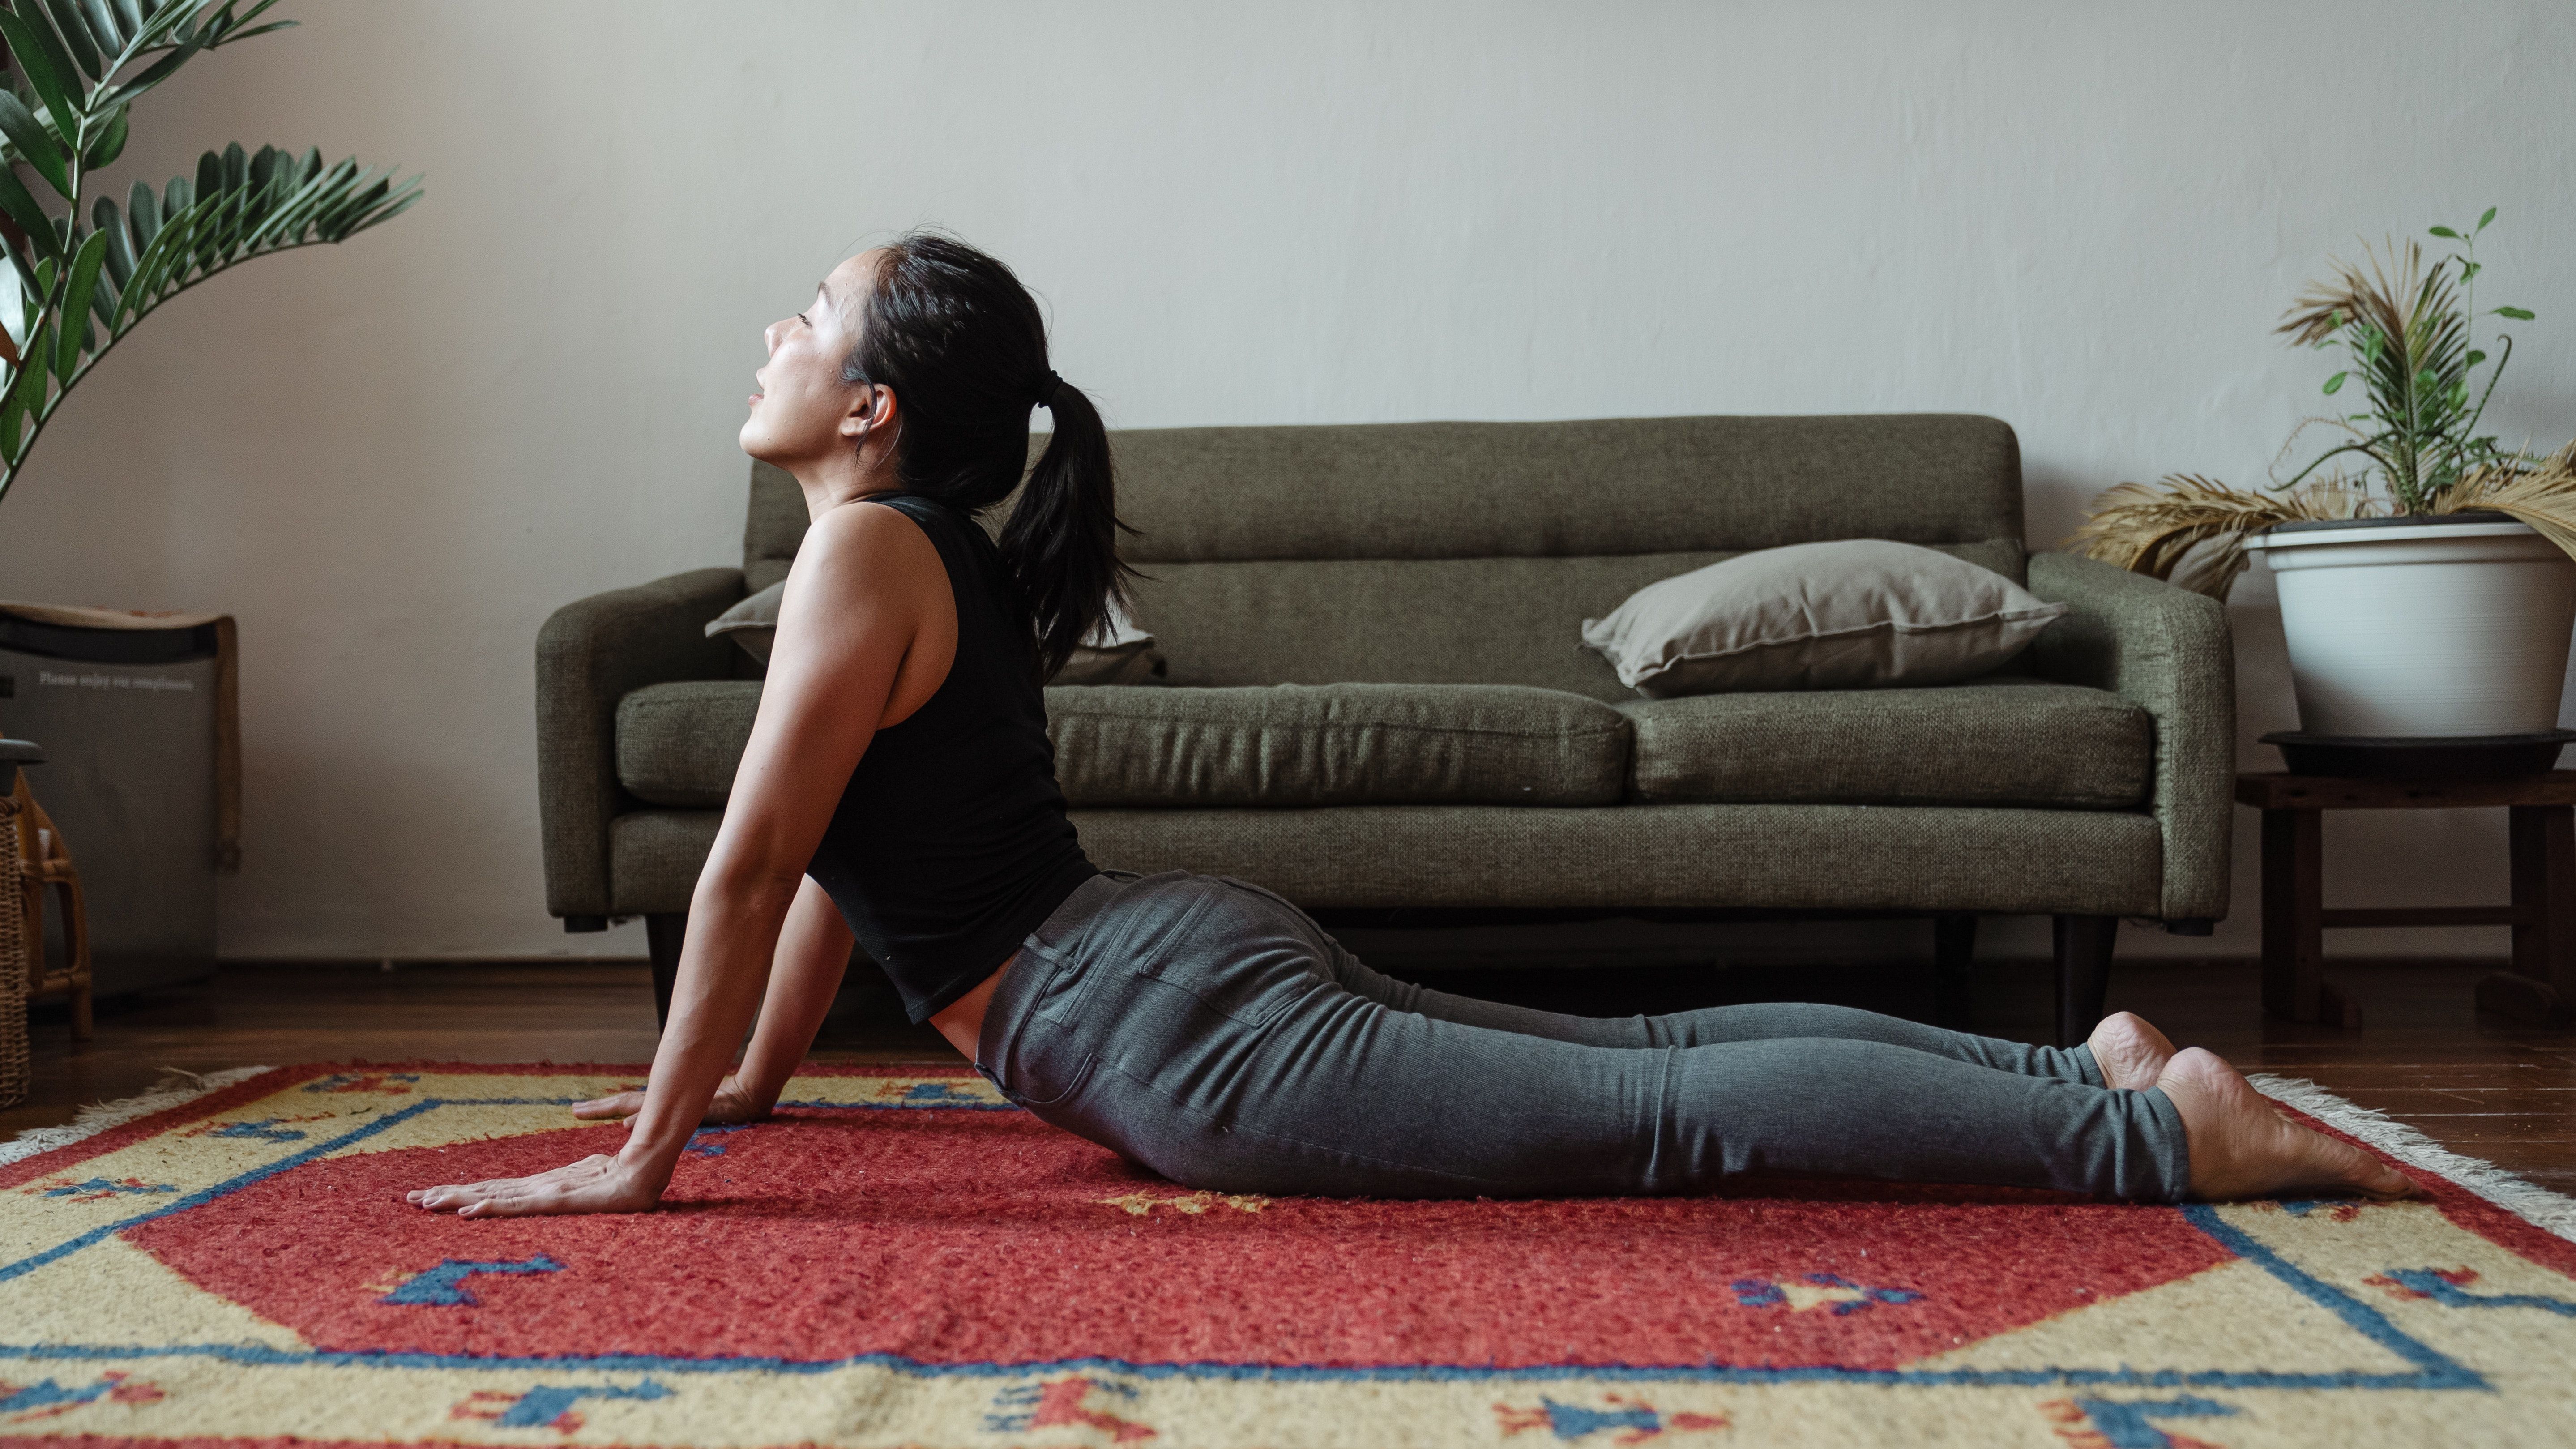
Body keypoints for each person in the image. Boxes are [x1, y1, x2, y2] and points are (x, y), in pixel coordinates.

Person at [410, 233, 2411, 1218]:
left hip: (1155, 1020)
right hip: (1164, 963)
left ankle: (2151, 1138)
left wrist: (643, 1160)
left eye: (807, 314)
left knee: (1664, 1117)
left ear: (870, 408)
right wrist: (754, 1083)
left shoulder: (858, 564)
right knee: (1650, 1060)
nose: (773, 330)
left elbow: (760, 863)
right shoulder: (914, 548)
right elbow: (843, 867)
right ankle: (2090, 1064)